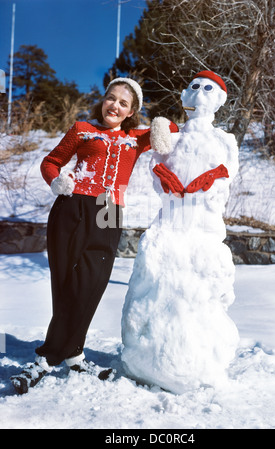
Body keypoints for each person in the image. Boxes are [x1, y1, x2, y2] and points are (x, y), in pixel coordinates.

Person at [11, 77, 178, 394]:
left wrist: (159, 123)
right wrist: (57, 180)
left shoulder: (135, 139)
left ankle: (46, 359)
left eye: (123, 103)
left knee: (90, 285)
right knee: (64, 285)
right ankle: (72, 354)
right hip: (71, 206)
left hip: (109, 209)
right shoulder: (82, 130)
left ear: (131, 112)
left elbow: (171, 133)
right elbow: (51, 161)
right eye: (110, 98)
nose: (114, 105)